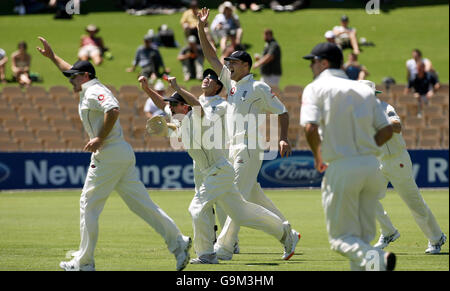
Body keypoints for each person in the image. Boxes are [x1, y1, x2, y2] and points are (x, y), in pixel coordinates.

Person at [36, 36, 191, 271]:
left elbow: (113, 109)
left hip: (108, 154)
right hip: (121, 153)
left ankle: (84, 262)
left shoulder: (94, 91)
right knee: (142, 205)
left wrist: (99, 138)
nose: (70, 80)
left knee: (88, 205)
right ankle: (179, 243)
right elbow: (71, 70)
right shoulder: (87, 86)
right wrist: (52, 56)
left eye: (74, 77)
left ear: (86, 76)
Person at [138, 70, 300, 264]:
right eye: (170, 104)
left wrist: (178, 88)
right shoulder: (178, 117)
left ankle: (206, 254)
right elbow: (161, 105)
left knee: (196, 207)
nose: (170, 108)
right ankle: (285, 232)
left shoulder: (198, 116)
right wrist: (147, 89)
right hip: (214, 172)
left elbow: (197, 105)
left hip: (218, 170)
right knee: (241, 212)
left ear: (185, 106)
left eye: (174, 104)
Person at [197, 7, 297, 261]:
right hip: (234, 149)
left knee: (236, 200)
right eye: (228, 62)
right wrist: (201, 27)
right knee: (251, 195)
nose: (227, 66)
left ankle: (224, 248)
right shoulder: (231, 84)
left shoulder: (258, 87)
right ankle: (290, 231)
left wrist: (283, 137)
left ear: (245, 65)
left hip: (249, 147)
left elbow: (283, 112)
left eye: (232, 63)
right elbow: (210, 56)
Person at [300, 42, 396, 271]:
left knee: (340, 239)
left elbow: (310, 128)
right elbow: (387, 130)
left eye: (313, 62)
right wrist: (364, 149)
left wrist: (317, 156)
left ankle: (380, 259)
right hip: (372, 167)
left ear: (323, 63)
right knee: (359, 241)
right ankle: (374, 260)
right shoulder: (363, 89)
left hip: (342, 167)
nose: (311, 66)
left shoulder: (315, 87)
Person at [358, 80, 447, 255]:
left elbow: (397, 127)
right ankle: (389, 231)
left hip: (397, 160)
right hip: (377, 161)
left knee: (414, 202)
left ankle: (436, 238)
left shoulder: (385, 108)